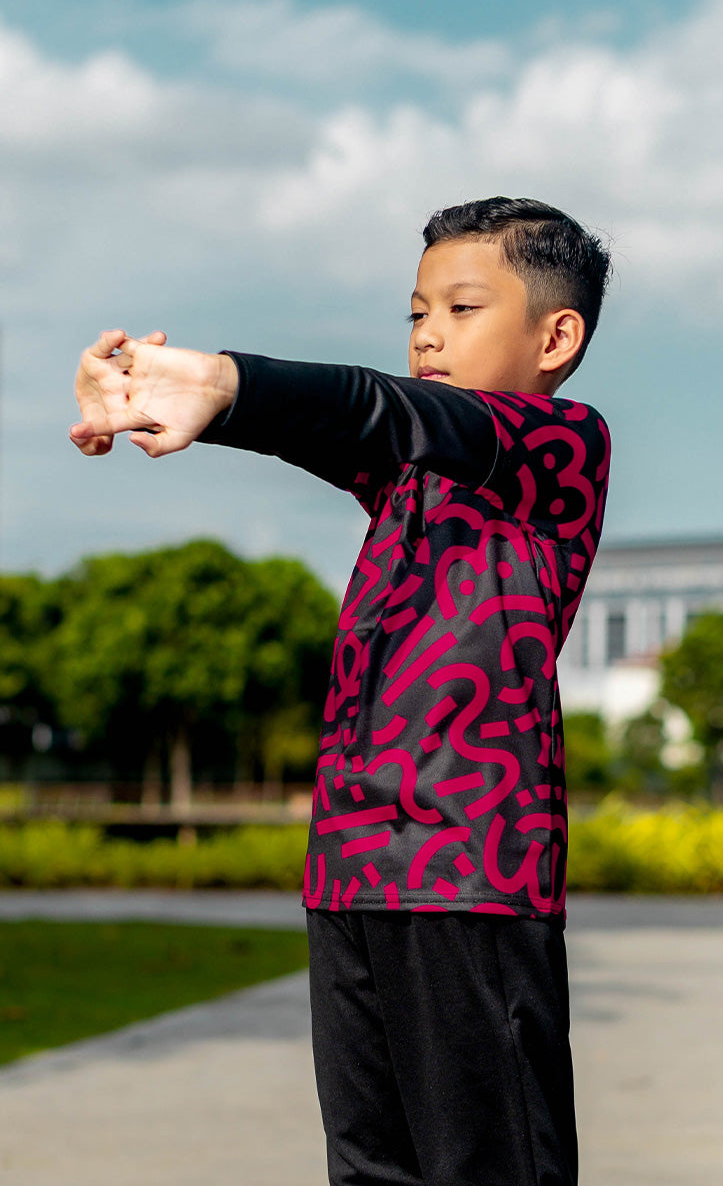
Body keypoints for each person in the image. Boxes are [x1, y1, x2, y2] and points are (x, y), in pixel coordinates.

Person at [71, 196, 611, 1186]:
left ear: (555, 337)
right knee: (369, 1169)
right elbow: (323, 424)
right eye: (415, 313)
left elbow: (376, 408)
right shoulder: (407, 481)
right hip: (351, 873)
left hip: (472, 877)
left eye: (460, 309)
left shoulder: (560, 446)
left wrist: (222, 377)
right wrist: (174, 393)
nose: (427, 335)